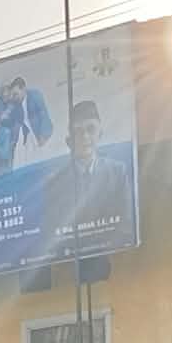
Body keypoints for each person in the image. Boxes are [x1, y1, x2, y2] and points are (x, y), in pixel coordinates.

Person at [44, 98, 133, 245]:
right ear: (69, 141)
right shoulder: (54, 183)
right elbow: (52, 237)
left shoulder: (117, 172)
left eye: (90, 129)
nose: (84, 137)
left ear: (100, 133)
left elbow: (126, 224)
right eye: (77, 131)